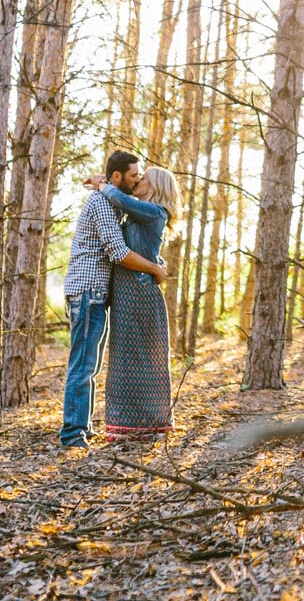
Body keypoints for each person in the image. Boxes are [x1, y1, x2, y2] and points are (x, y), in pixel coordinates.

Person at [60, 151, 165, 448]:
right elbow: (118, 253)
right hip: (87, 292)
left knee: (89, 366)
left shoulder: (112, 200)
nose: (138, 180)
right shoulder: (102, 202)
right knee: (83, 365)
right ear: (117, 177)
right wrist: (156, 269)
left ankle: (82, 427)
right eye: (133, 175)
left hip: (97, 294)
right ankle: (72, 434)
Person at [97, 166, 181, 440]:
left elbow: (121, 200)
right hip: (125, 294)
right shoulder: (141, 212)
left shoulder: (155, 211)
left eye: (143, 177)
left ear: (155, 185)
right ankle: (125, 426)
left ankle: (152, 425)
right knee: (123, 359)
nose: (138, 179)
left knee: (146, 361)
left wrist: (102, 185)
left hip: (141, 295)